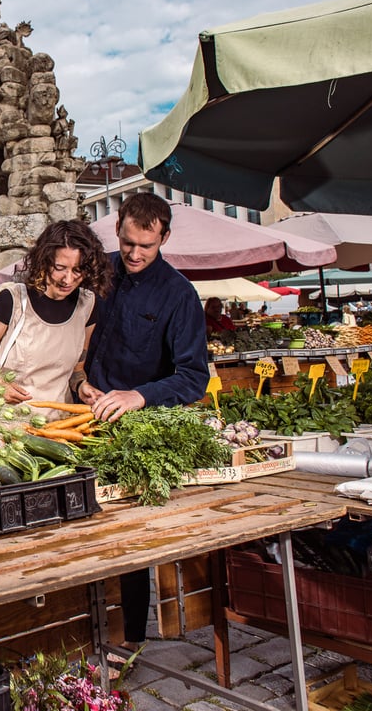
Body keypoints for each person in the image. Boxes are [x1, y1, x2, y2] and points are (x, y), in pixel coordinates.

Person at [77, 192, 208, 659]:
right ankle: (79, 630)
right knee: (79, 527)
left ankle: (130, 637)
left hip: (135, 431)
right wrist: (78, 380)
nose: (134, 254)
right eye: (128, 242)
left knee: (128, 537)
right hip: (79, 418)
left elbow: (194, 377)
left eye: (145, 246)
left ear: (164, 238)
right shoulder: (98, 272)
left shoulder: (179, 294)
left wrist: (140, 396)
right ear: (117, 229)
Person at [0, 220, 112, 409]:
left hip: (61, 420)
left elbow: (76, 371)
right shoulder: (12, 300)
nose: (68, 279)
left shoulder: (87, 305)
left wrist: (82, 386)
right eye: (60, 268)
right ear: (44, 261)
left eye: (78, 270)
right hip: (8, 420)